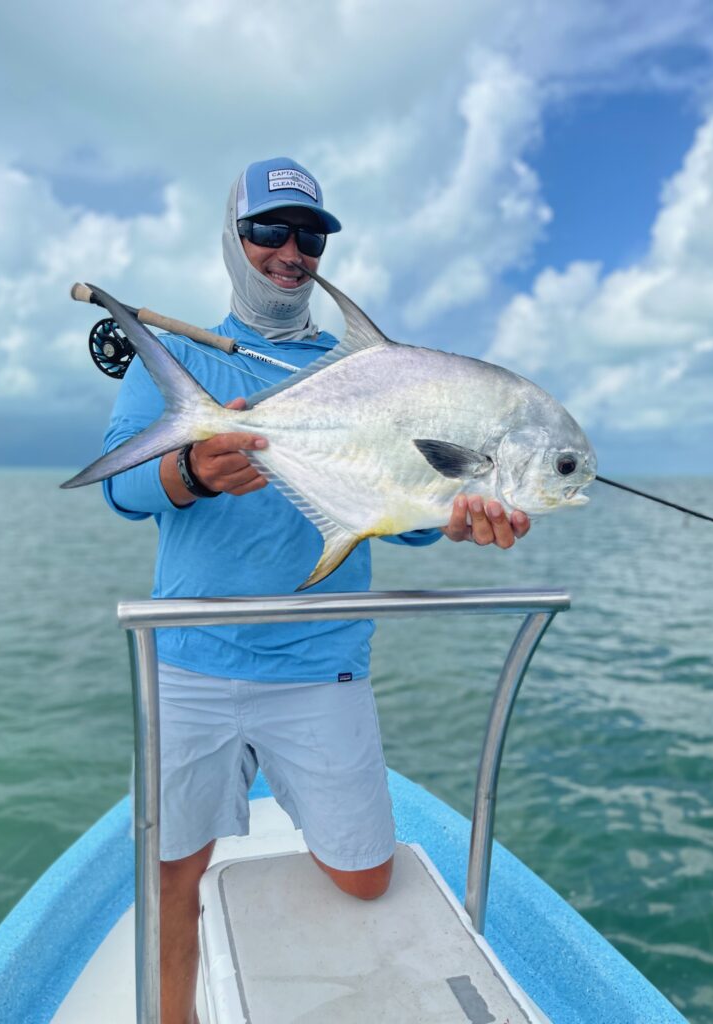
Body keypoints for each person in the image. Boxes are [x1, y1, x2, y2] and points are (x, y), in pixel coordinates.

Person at [101, 156, 530, 1024]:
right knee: (175, 871)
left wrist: (452, 515)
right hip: (190, 661)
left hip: (319, 662)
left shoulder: (371, 373)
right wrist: (190, 467)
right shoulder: (183, 357)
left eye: (309, 236)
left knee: (367, 880)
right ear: (235, 239)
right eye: (269, 232)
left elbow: (397, 511)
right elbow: (123, 489)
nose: (290, 252)